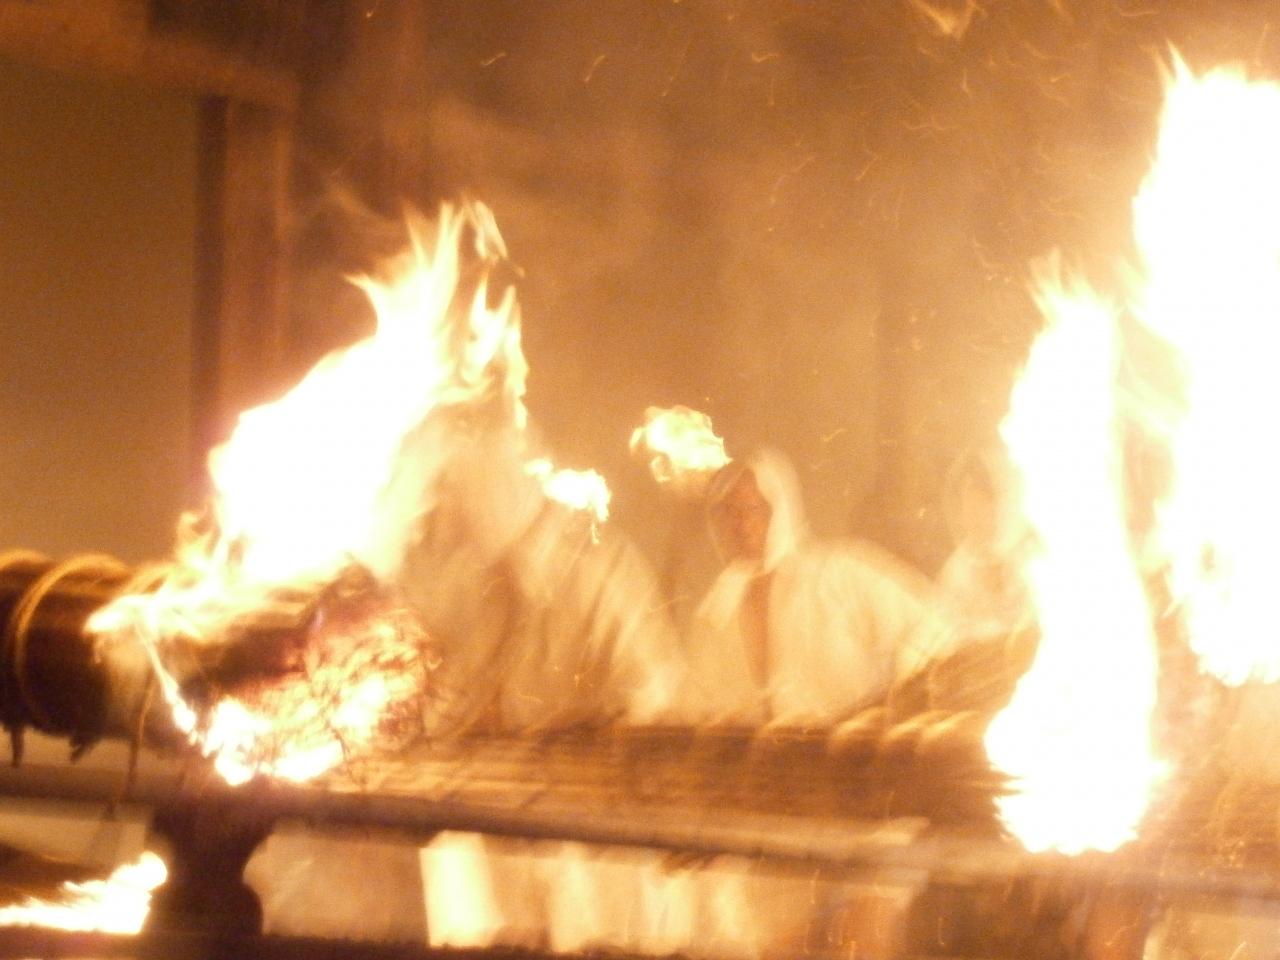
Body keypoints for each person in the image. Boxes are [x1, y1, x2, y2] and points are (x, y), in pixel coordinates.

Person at [679, 447, 949, 727]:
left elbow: (931, 628)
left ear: (781, 509)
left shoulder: (841, 575)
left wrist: (897, 703)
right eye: (729, 512)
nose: (742, 524)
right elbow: (698, 707)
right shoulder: (715, 617)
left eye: (754, 509)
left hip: (856, 749)